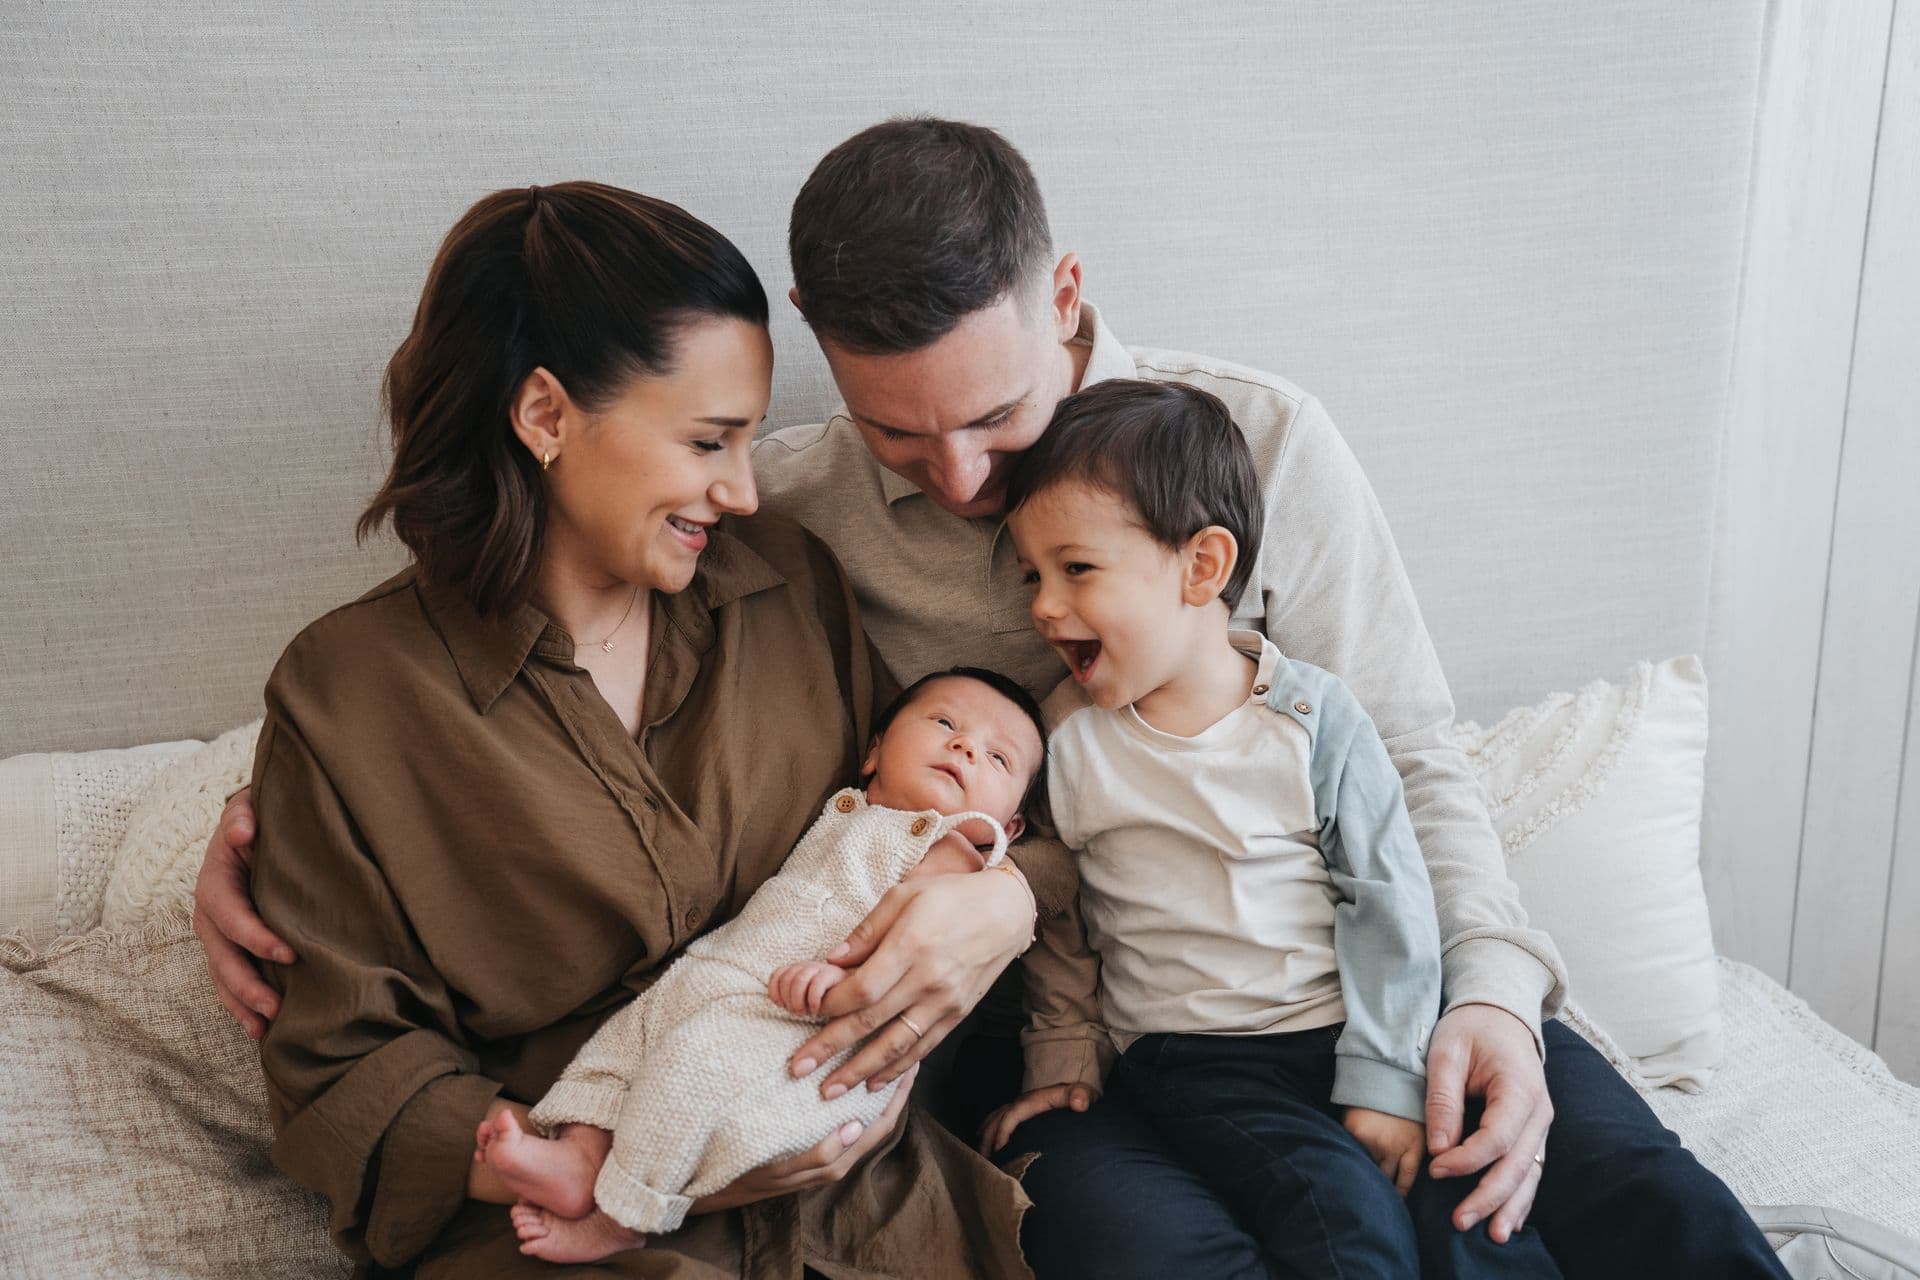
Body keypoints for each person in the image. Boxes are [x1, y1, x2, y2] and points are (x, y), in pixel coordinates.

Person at [200, 121, 1789, 1277]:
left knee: (1630, 1201)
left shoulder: (1253, 447)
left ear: (1069, 297)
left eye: (999, 419)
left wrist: (1495, 989)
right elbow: (730, 794)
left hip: (1315, 977)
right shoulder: (787, 527)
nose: (962, 482)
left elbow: (1418, 762)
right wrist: (261, 826)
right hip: (1061, 1055)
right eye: (899, 435)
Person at [238, 181, 1049, 1278]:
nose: (747, 490)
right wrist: (638, 1161)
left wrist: (1003, 891)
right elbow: (341, 1075)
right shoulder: (350, 697)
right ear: (544, 416)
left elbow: (948, 812)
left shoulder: (790, 588)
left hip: (873, 1209)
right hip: (562, 1236)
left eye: (752, 441)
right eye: (711, 440)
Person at [983, 378, 1560, 1279]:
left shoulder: (1311, 717)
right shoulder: (1065, 739)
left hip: (1341, 1031)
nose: (1044, 608)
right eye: (1032, 577)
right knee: (1344, 1221)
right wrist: (1063, 1053)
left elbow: (1388, 895)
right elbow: (1055, 916)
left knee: (1474, 1213)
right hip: (1197, 1058)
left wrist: (1385, 1078)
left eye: (1076, 569)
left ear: (1202, 567)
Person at [475, 667, 1045, 1266]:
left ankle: (623, 1215)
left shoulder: (951, 853)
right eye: (946, 723)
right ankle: (579, 1152)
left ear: (1005, 829)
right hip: (723, 975)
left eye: (997, 758)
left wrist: (840, 979)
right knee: (620, 1046)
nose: (964, 747)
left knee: (689, 1069)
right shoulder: (848, 810)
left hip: (814, 1028)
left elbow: (914, 950)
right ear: (874, 752)